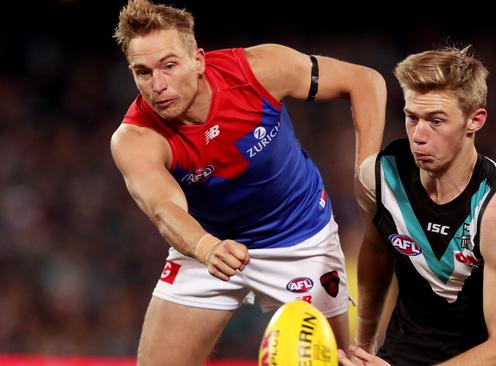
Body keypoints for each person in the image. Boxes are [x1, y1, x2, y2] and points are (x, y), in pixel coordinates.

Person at [110, 0, 386, 364]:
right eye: (142, 72)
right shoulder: (135, 138)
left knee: (340, 362)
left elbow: (366, 81)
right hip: (207, 245)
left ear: (198, 61)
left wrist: (365, 174)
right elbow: (164, 210)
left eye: (169, 65)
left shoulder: (258, 69)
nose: (157, 85)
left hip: (301, 240)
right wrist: (206, 247)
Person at [339, 46, 496, 366]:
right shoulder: (378, 179)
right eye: (411, 117)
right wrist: (363, 344)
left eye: (436, 121)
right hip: (404, 349)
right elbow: (377, 251)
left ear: (475, 120)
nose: (419, 135)